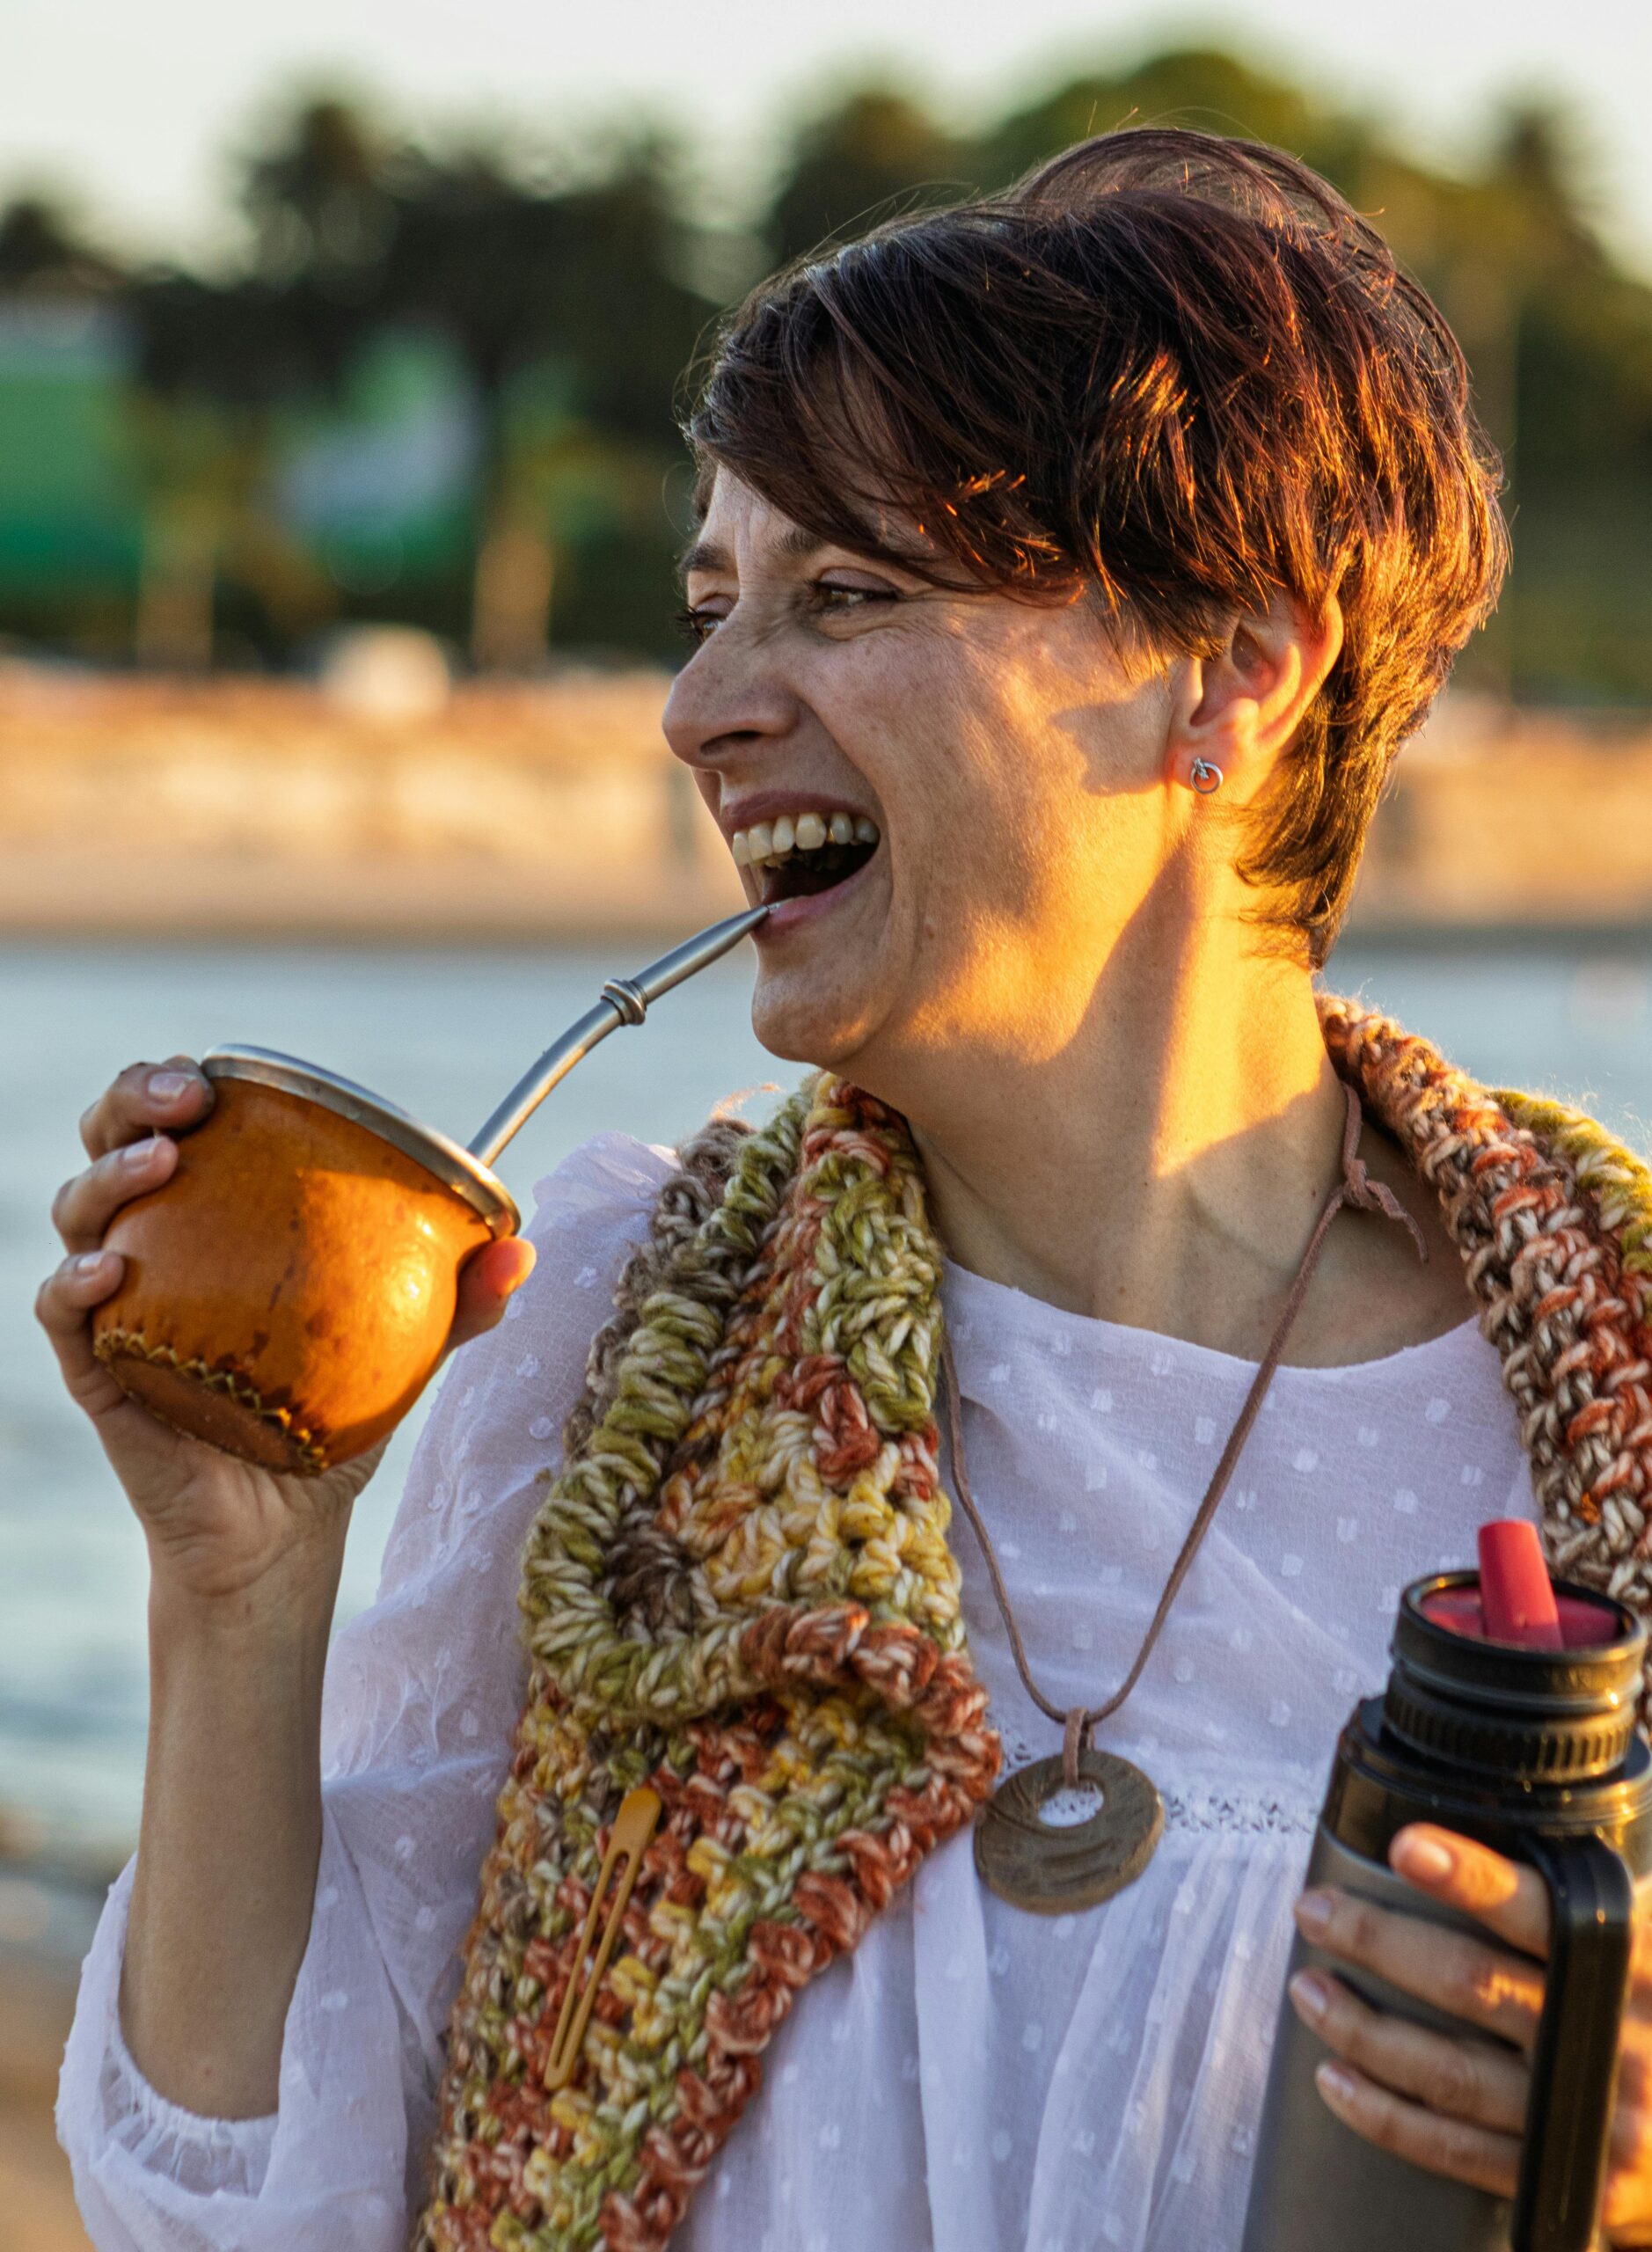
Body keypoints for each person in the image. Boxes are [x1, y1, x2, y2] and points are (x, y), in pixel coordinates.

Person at [42, 127, 1652, 2252]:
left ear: (1229, 666)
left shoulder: (1607, 1384)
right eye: (709, 606)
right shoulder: (624, 1345)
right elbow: (259, 2209)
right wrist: (234, 1596)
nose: (700, 710)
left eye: (848, 594)